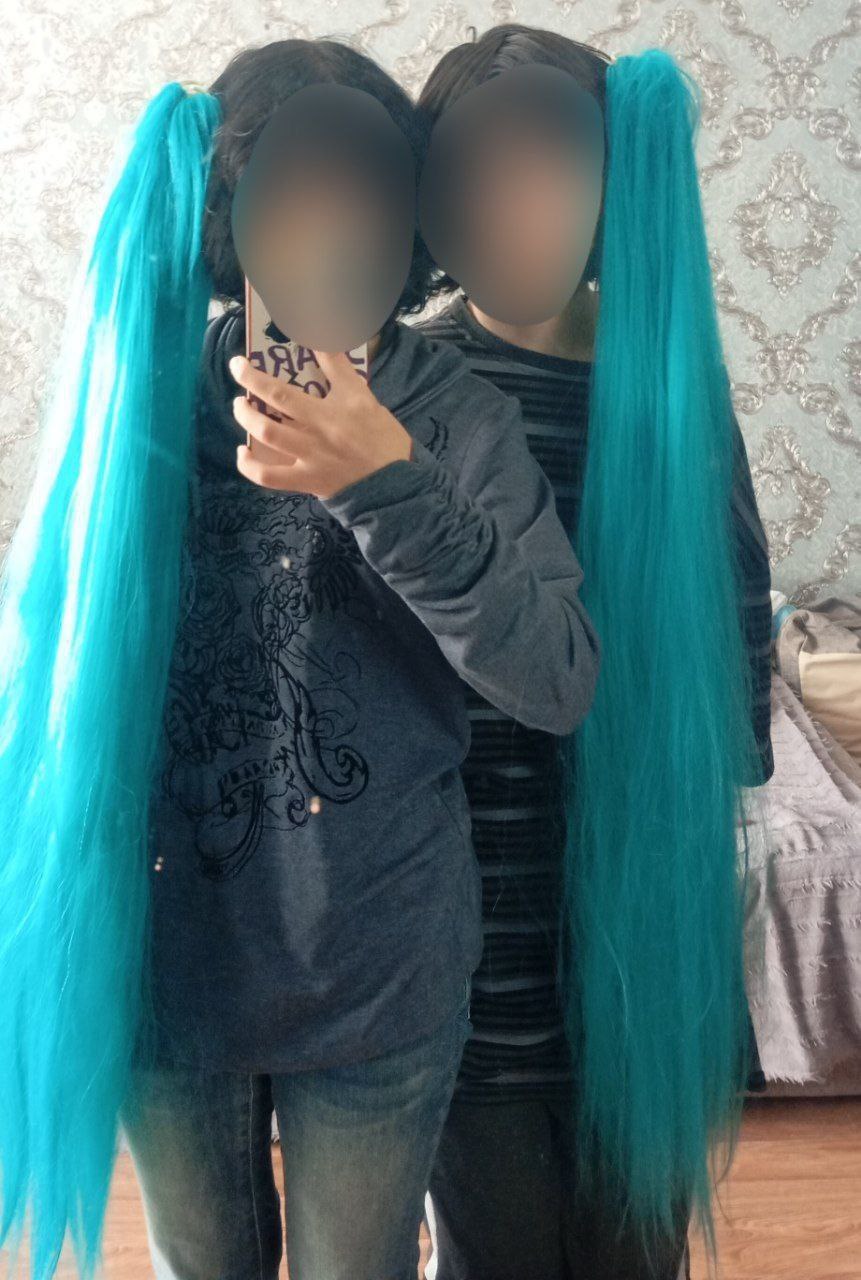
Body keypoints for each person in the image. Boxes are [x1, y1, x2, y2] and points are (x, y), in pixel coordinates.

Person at [0, 38, 600, 1280]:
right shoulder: (139, 396)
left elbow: (556, 678)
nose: (336, 228)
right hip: (166, 963)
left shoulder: (456, 417)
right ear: (230, 212)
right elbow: (52, 665)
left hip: (380, 969)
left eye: (368, 188)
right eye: (295, 189)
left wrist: (387, 481)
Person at [415, 26, 775, 1280]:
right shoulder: (412, 384)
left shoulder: (667, 379)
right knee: (496, 1238)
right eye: (479, 176)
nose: (516, 209)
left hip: (646, 898)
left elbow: (735, 591)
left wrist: (727, 763)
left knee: (635, 1243)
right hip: (466, 897)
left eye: (552, 170)